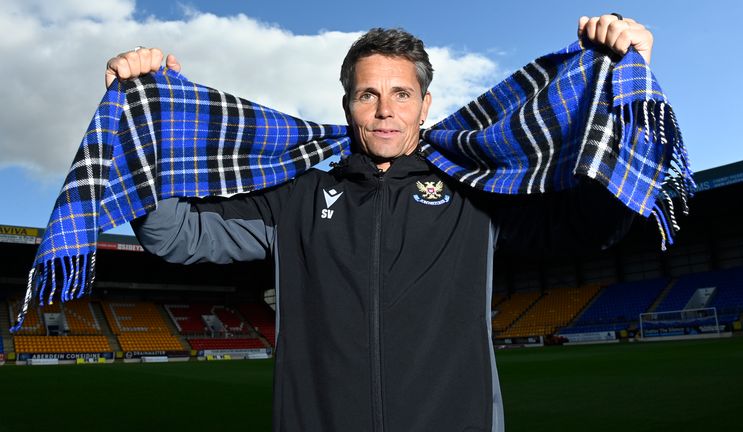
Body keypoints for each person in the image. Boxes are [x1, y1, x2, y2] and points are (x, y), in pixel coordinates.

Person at [105, 15, 652, 431]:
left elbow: (592, 223)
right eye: (369, 94)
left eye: (401, 94)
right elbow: (172, 234)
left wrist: (629, 83)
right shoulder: (296, 199)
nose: (385, 110)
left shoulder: (475, 193)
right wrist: (144, 116)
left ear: (424, 104)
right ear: (348, 104)